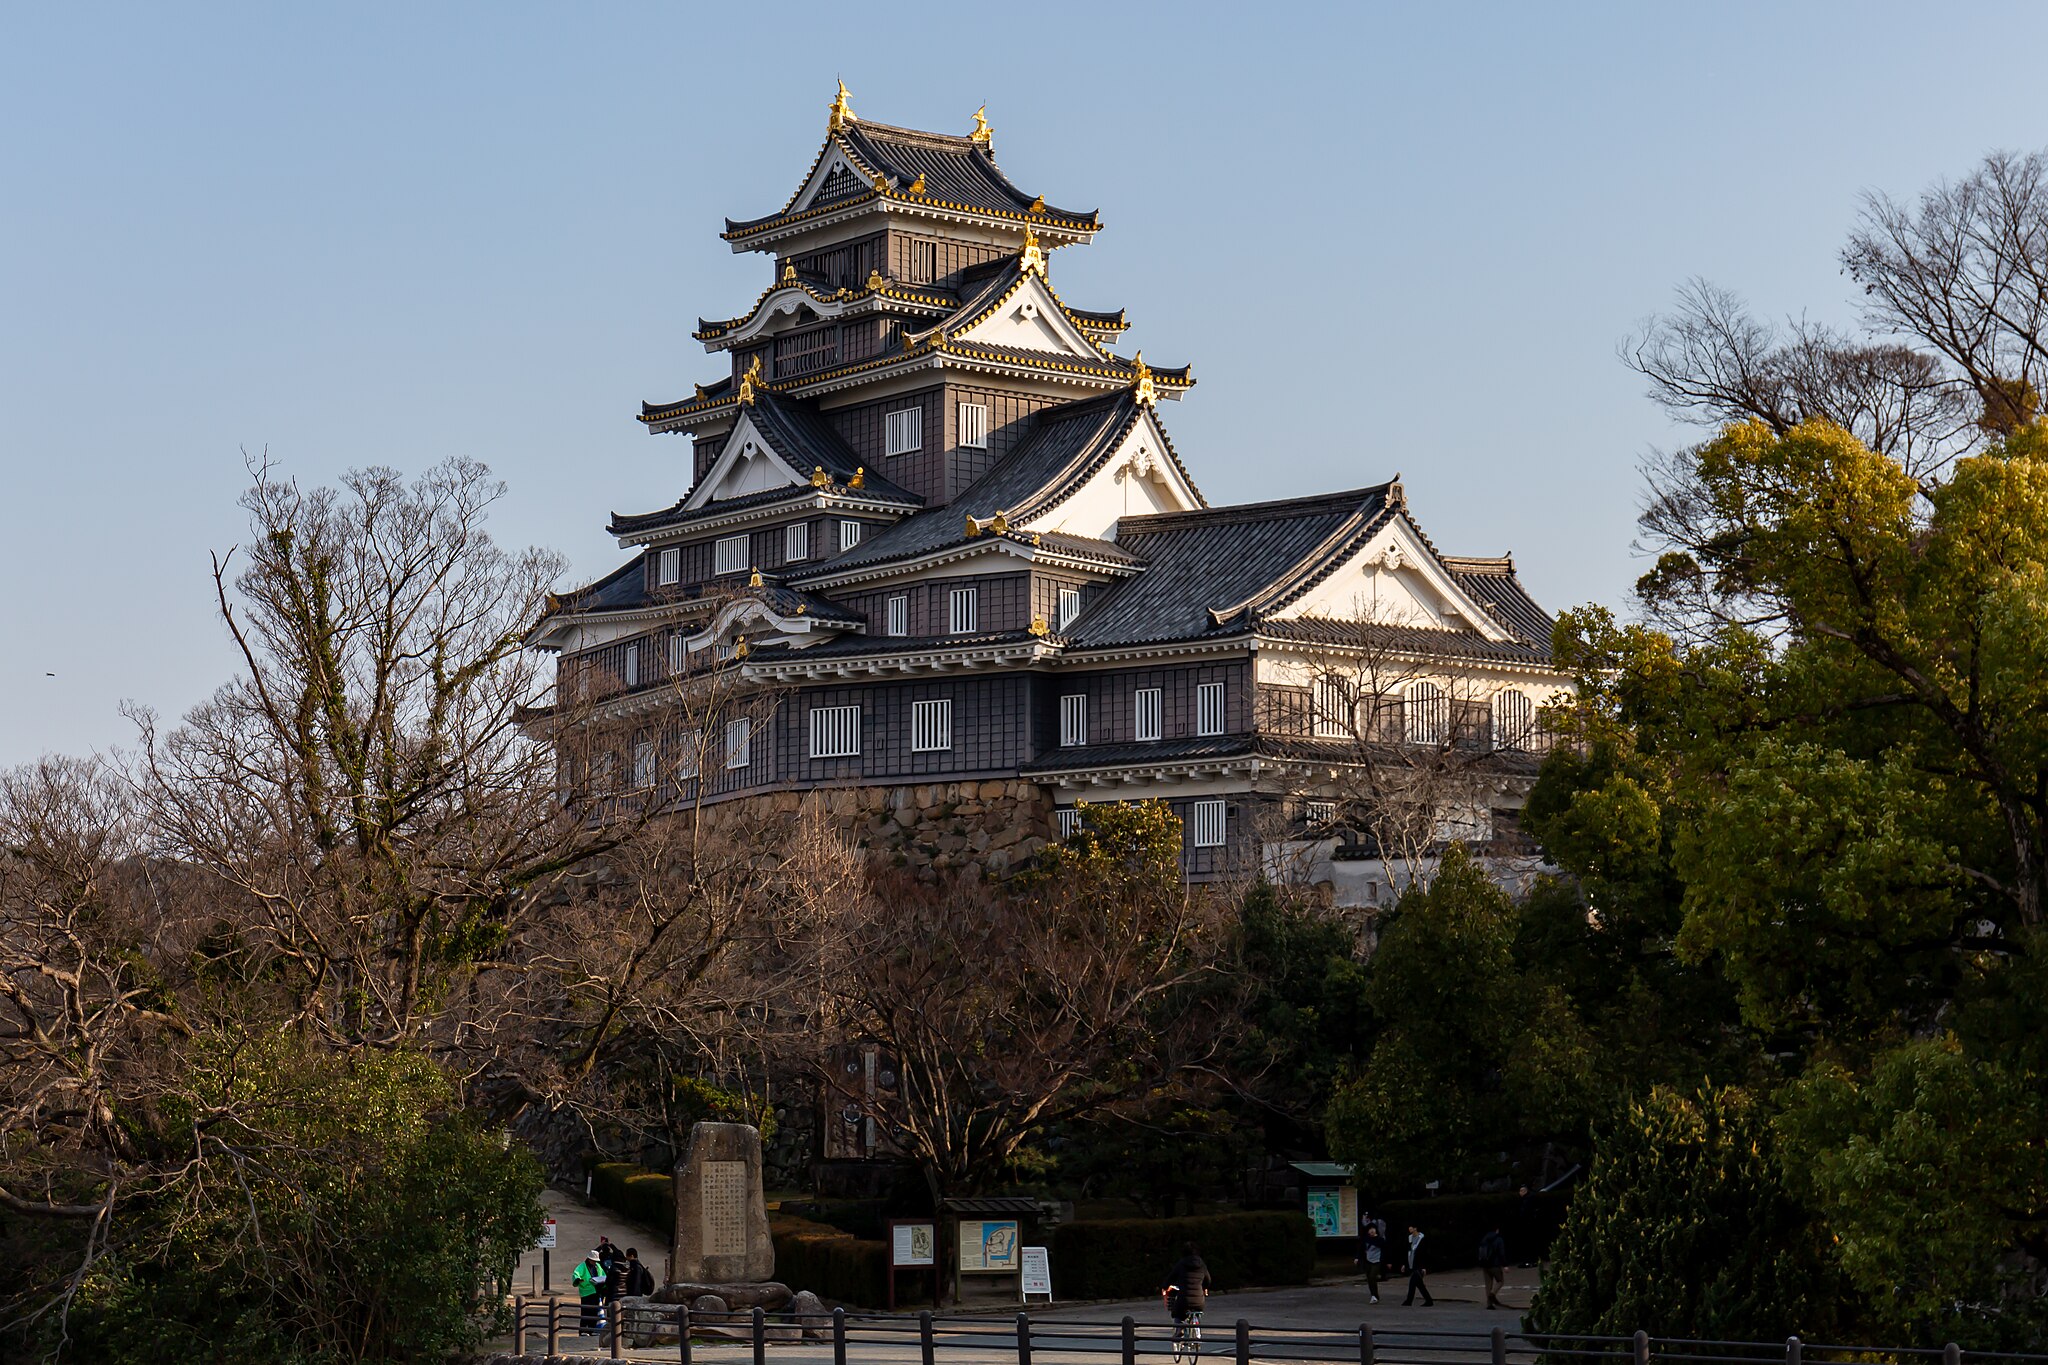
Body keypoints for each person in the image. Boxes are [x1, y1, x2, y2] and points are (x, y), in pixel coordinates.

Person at [1161, 1241, 1211, 1323]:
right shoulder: (1202, 1265)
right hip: (1199, 1301)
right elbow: (1208, 1280)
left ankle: (1179, 1330)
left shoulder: (1181, 1263)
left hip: (1183, 1300)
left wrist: (1164, 1287)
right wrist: (1204, 1288)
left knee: (1177, 1314)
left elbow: (1171, 1277)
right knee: (1197, 1311)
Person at [572, 1251, 607, 1336]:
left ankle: (592, 1329)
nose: (594, 1262)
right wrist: (578, 1280)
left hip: (596, 1291)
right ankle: (583, 1329)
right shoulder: (582, 1266)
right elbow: (576, 1274)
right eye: (593, 1260)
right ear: (589, 1259)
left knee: (594, 1311)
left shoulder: (598, 1266)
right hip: (586, 1292)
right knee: (585, 1311)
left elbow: (603, 1275)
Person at [1358, 1218, 1388, 1304]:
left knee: (1372, 1276)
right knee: (1369, 1279)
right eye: (1370, 1229)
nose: (1371, 1231)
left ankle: (1375, 1296)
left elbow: (1386, 1250)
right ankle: (1374, 1295)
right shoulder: (1366, 1239)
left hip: (1377, 1261)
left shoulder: (1380, 1240)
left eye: (1373, 1229)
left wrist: (1388, 1262)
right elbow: (1361, 1249)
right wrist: (1357, 1258)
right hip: (1368, 1261)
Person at [1477, 1224, 1508, 1310]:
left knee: (1488, 1284)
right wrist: (1505, 1265)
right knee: (1500, 1281)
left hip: (1485, 1265)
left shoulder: (1484, 1239)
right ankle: (1492, 1294)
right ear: (1497, 1230)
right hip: (1495, 1265)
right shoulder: (1499, 1239)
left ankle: (1489, 1304)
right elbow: (1501, 1253)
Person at [1401, 1225, 1432, 1307]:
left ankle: (1409, 1301)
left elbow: (1425, 1254)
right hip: (1412, 1264)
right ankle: (1429, 1300)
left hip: (1419, 1265)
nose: (1409, 1228)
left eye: (1411, 1227)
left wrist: (1424, 1267)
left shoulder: (1422, 1239)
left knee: (1412, 1283)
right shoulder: (1409, 1238)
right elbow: (1408, 1252)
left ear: (1415, 1228)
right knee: (1419, 1285)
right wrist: (1405, 1264)